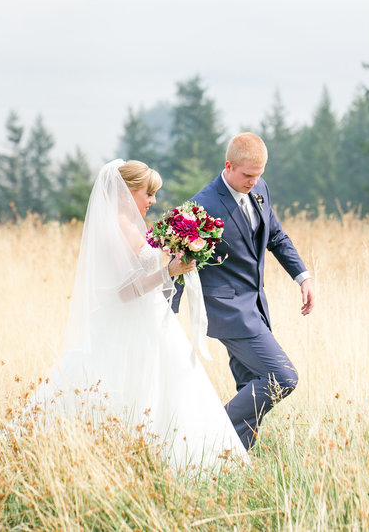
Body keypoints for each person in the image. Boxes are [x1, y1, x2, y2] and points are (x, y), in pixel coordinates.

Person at [30, 159, 247, 471]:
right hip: (129, 320)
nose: (153, 201)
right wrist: (169, 272)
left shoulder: (130, 224)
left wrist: (177, 251)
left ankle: (164, 457)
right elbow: (124, 291)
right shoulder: (115, 227)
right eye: (148, 193)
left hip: (149, 316)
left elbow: (140, 269)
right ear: (126, 192)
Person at [171, 133, 315, 450]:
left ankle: (232, 462)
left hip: (256, 306)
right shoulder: (201, 206)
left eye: (259, 174)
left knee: (251, 387)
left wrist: (302, 276)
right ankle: (208, 436)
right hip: (227, 312)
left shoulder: (260, 189)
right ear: (229, 165)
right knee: (282, 377)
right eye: (248, 175)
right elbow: (178, 262)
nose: (254, 181)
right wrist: (166, 314)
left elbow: (275, 236)